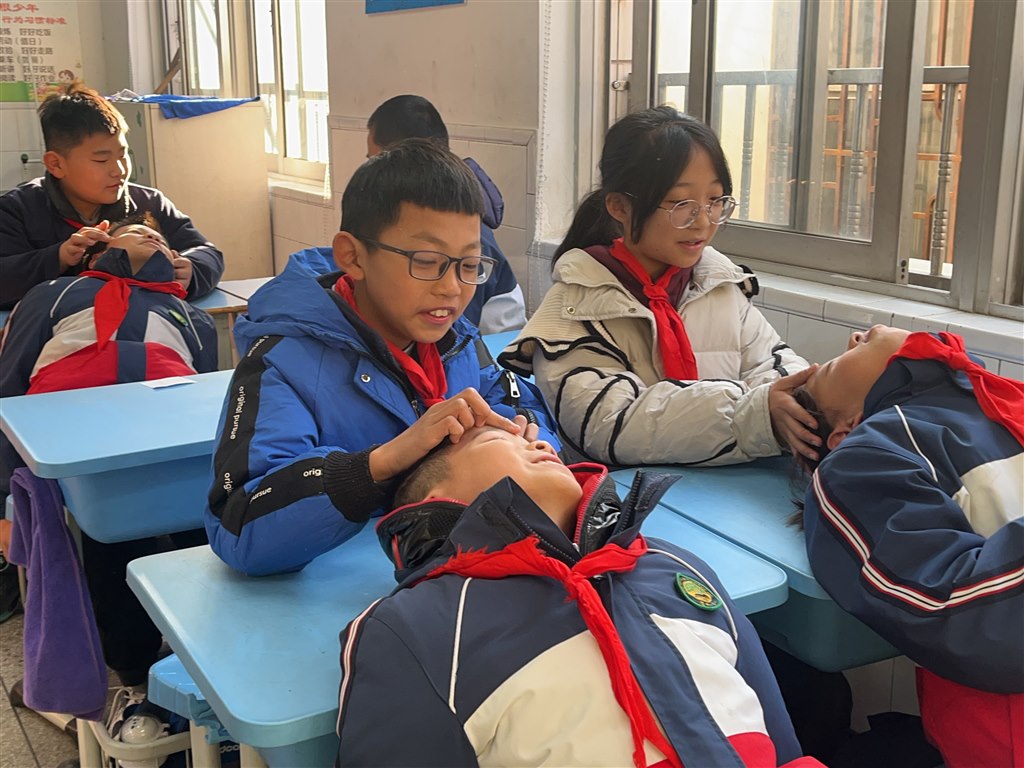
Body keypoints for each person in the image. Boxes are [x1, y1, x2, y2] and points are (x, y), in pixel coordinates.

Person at [335, 425, 825, 768]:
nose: (537, 441)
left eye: (535, 437)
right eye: (498, 438)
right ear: (437, 497)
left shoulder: (670, 563)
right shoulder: (417, 626)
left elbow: (781, 743)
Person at [205, 139, 559, 577]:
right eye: (426, 261)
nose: (452, 288)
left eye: (469, 266)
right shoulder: (282, 364)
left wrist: (528, 434)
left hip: (452, 577)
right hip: (341, 595)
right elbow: (238, 523)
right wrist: (380, 465)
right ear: (353, 257)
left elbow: (517, 400)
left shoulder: (456, 339)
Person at [499, 106, 818, 466]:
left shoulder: (719, 284)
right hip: (631, 495)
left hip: (729, 491)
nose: (703, 222)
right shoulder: (575, 307)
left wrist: (797, 400)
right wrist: (755, 411)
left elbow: (775, 364)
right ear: (620, 207)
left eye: (715, 201)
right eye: (681, 204)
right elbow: (610, 424)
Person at [0, 211, 217, 735]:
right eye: (137, 232)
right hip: (83, 451)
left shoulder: (191, 315)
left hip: (170, 443)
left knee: (201, 543)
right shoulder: (53, 294)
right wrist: (6, 491)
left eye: (159, 238)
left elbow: (207, 394)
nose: (151, 236)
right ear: (99, 248)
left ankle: (201, 657)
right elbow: (9, 387)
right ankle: (135, 669)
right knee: (111, 542)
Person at [793, 325, 1023, 768]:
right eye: (833, 366)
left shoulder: (993, 402)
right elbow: (958, 611)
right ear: (845, 430)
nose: (855, 336)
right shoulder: (863, 461)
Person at [0, 80, 224, 310]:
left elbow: (206, 252)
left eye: (123, 155)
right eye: (101, 160)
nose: (119, 170)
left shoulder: (149, 203)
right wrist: (58, 257)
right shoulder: (17, 210)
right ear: (56, 164)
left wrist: (192, 270)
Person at [367, 94, 526, 333]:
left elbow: (451, 335)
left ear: (401, 159)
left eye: (375, 162)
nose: (371, 176)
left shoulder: (464, 234)